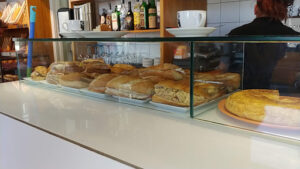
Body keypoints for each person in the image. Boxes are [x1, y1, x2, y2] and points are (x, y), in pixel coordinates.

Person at [221, 0, 300, 89]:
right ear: (283, 11)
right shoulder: (295, 37)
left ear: (255, 9)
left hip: (242, 93)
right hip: (281, 95)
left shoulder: (235, 34)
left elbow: (223, 67)